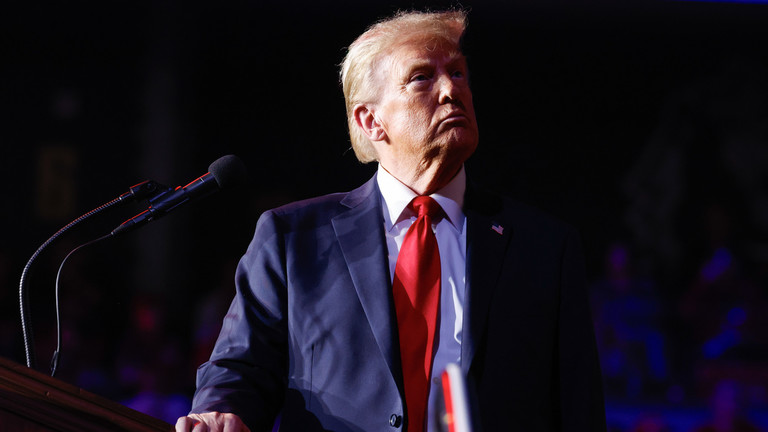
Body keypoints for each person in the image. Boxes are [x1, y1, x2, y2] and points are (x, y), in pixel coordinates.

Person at [176, 9, 605, 432]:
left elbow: (578, 406)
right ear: (371, 120)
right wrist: (221, 411)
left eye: (457, 73)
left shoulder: (543, 247)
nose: (451, 90)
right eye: (423, 77)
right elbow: (240, 367)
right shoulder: (294, 239)